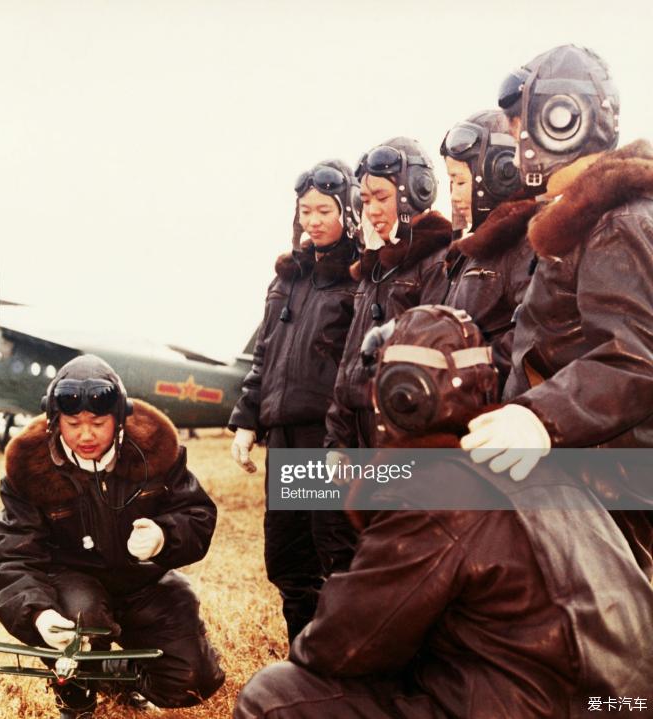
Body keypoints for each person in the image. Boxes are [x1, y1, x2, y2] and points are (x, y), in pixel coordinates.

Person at [234, 306, 653, 718]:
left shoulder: (433, 491)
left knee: (272, 695)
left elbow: (344, 645)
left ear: (403, 396)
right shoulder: (541, 460)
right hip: (618, 703)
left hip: (536, 705)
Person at [461, 45, 653, 574]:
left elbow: (634, 360)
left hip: (615, 493)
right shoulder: (577, 222)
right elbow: (544, 346)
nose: (515, 137)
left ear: (560, 117)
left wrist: (542, 417)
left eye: (520, 120)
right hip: (586, 480)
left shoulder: (614, 224)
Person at [0, 354, 224, 718]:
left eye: (98, 422)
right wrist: (39, 615)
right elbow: (8, 559)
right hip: (74, 589)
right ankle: (77, 693)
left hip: (145, 584)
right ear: (54, 421)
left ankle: (115, 673)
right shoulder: (29, 470)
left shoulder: (157, 450)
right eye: (73, 423)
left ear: (120, 419)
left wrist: (164, 535)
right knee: (80, 614)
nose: (85, 435)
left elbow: (197, 513)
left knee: (192, 681)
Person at [228, 159, 361, 645]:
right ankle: (303, 660)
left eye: (324, 210)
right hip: (283, 438)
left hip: (325, 437)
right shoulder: (289, 278)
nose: (313, 221)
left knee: (335, 555)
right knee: (289, 560)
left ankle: (342, 666)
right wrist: (247, 421)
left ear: (348, 210)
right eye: (305, 210)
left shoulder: (358, 278)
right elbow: (265, 353)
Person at [324, 137, 453, 449]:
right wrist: (336, 440)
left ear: (416, 192)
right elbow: (348, 365)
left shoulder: (440, 263)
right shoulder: (376, 269)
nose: (371, 211)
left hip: (404, 439)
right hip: (360, 437)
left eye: (381, 197)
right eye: (365, 201)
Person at [439, 108, 534, 387]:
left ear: (498, 174)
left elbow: (531, 340)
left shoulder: (522, 244)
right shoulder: (472, 250)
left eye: (460, 181)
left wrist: (457, 377)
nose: (454, 195)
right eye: (451, 182)